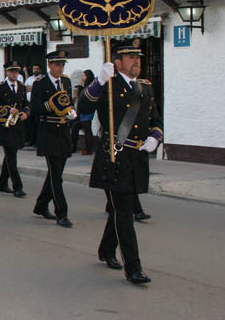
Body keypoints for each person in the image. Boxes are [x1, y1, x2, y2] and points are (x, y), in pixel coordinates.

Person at [79, 39, 163, 285]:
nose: (136, 61)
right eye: (130, 57)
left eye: (138, 57)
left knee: (119, 209)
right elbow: (83, 106)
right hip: (113, 158)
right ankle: (133, 268)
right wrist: (99, 81)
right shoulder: (107, 85)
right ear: (117, 62)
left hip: (137, 158)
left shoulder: (144, 88)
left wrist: (155, 138)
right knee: (125, 213)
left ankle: (106, 249)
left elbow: (155, 119)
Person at [31, 51, 75, 228]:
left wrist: (71, 111)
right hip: (48, 131)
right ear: (49, 65)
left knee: (56, 173)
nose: (60, 67)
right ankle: (61, 213)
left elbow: (68, 102)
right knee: (56, 176)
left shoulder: (66, 81)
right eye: (57, 64)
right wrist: (51, 105)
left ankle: (41, 205)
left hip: (63, 131)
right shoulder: (41, 83)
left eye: (63, 64)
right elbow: (35, 107)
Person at [0, 61, 30, 198]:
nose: (15, 74)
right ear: (7, 72)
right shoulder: (0, 88)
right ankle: (18, 187)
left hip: (17, 125)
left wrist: (26, 112)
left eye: (16, 71)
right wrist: (8, 109)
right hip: (5, 126)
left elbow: (26, 103)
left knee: (10, 154)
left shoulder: (21, 87)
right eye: (12, 71)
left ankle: (2, 183)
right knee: (11, 155)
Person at [72, 70, 96, 155]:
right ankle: (73, 146)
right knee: (76, 127)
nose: (82, 78)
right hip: (82, 111)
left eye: (84, 76)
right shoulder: (83, 86)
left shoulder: (90, 86)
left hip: (87, 111)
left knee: (87, 130)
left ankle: (89, 149)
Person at [24, 64, 43, 146]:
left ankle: (36, 141)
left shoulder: (42, 79)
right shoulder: (29, 78)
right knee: (29, 123)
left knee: (37, 123)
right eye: (34, 69)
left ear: (40, 70)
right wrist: (30, 88)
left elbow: (36, 89)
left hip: (37, 103)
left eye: (37, 69)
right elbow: (25, 88)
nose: (35, 70)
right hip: (29, 103)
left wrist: (31, 87)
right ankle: (30, 140)